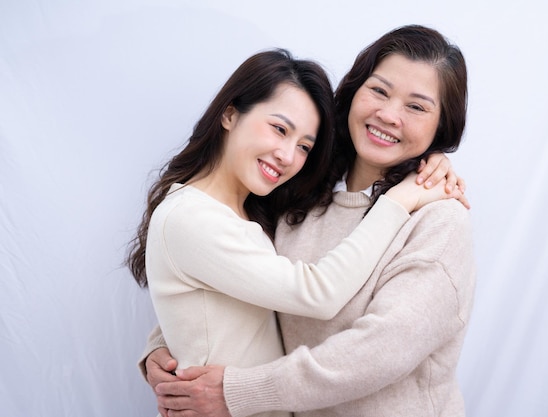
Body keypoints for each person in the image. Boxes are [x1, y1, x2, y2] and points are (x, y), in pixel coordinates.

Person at [127, 47, 466, 417]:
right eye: (380, 91)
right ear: (353, 93)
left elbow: (382, 350)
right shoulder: (297, 196)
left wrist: (238, 393)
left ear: (441, 127)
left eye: (416, 107)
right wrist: (163, 350)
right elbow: (229, 276)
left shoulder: (438, 221)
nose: (388, 114)